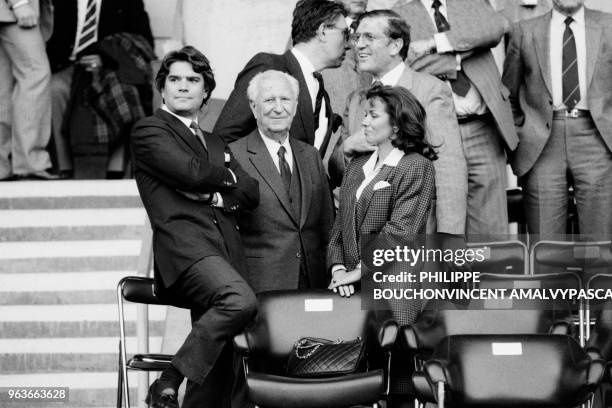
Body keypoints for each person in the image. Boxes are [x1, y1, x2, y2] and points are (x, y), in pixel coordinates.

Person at [130, 46, 259, 408]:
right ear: (163, 89)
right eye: (174, 79)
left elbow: (251, 193)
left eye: (193, 80)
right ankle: (168, 378)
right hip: (186, 251)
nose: (183, 86)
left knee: (221, 363)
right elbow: (190, 171)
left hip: (224, 253)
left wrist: (218, 195)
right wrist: (227, 175)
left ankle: (177, 393)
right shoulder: (149, 130)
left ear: (206, 91)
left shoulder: (216, 142)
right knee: (239, 301)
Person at [328, 84, 436, 406]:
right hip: (352, 293)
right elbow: (338, 230)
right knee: (353, 387)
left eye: (373, 115)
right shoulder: (356, 167)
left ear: (397, 124)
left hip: (394, 298)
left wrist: (356, 272)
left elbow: (400, 233)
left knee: (396, 390)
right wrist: (337, 269)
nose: (364, 121)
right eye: (365, 113)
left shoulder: (416, 166)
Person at [393, 0, 518, 237]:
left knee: (491, 222)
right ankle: (454, 273)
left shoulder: (469, 2)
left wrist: (435, 43)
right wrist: (464, 53)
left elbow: (494, 28)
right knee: (447, 216)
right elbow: (409, 63)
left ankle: (490, 274)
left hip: (482, 127)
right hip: (435, 134)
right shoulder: (400, 13)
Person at [338, 9, 467, 237]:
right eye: (357, 37)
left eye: (370, 37)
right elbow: (341, 175)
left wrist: (450, 237)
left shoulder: (429, 90)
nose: (359, 45)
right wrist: (347, 147)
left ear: (396, 46)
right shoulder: (356, 100)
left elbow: (449, 168)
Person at [502, 0, 612, 238]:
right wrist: (519, 141)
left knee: (600, 243)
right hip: (541, 144)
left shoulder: (609, 26)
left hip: (597, 140)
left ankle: (595, 277)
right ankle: (551, 277)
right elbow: (507, 94)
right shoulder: (524, 30)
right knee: (546, 243)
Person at [213, 0, 348, 183]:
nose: (349, 44)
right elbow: (224, 138)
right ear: (323, 31)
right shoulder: (270, 66)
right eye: (345, 33)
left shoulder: (321, 95)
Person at [230, 70, 334, 294]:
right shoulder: (235, 155)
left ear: (296, 105)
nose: (278, 108)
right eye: (269, 100)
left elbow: (327, 225)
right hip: (261, 286)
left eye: (285, 99)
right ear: (253, 106)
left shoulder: (310, 155)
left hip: (313, 284)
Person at [47, 0, 155, 179]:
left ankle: (116, 166)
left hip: (110, 68)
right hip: (70, 66)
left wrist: (104, 56)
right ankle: (64, 167)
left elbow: (144, 41)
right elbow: (49, 40)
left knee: (126, 93)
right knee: (54, 89)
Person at [0, 0, 55, 180]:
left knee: (3, 85)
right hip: (11, 11)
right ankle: (29, 162)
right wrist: (19, 3)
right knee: (35, 74)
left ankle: (3, 165)